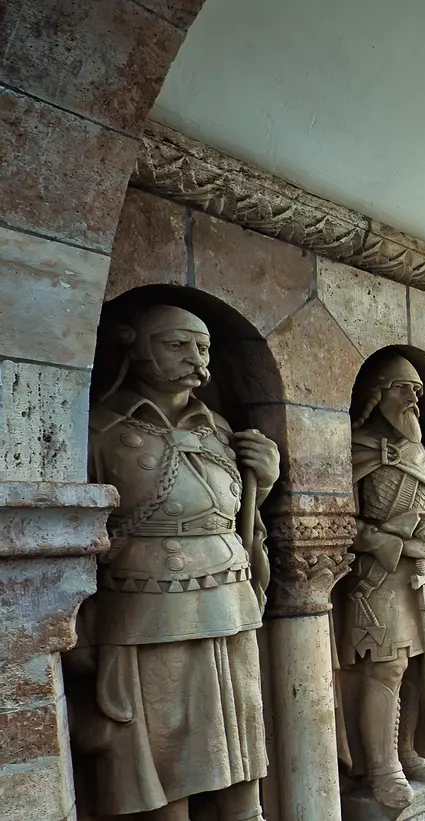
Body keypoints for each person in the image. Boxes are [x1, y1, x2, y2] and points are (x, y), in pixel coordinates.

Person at [76, 304, 277, 819]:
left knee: (239, 734)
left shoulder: (220, 430)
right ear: (136, 347)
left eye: (202, 347)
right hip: (147, 606)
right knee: (162, 750)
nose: (195, 358)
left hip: (229, 598)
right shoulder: (99, 428)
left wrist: (265, 482)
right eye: (177, 344)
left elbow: (237, 520)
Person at [339, 355, 425, 808]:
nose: (413, 398)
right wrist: (397, 544)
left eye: (418, 391)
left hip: (424, 575)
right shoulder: (357, 447)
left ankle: (406, 753)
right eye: (403, 387)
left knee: (416, 664)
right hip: (378, 578)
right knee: (385, 667)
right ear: (378, 392)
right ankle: (382, 767)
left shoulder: (418, 451)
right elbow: (336, 523)